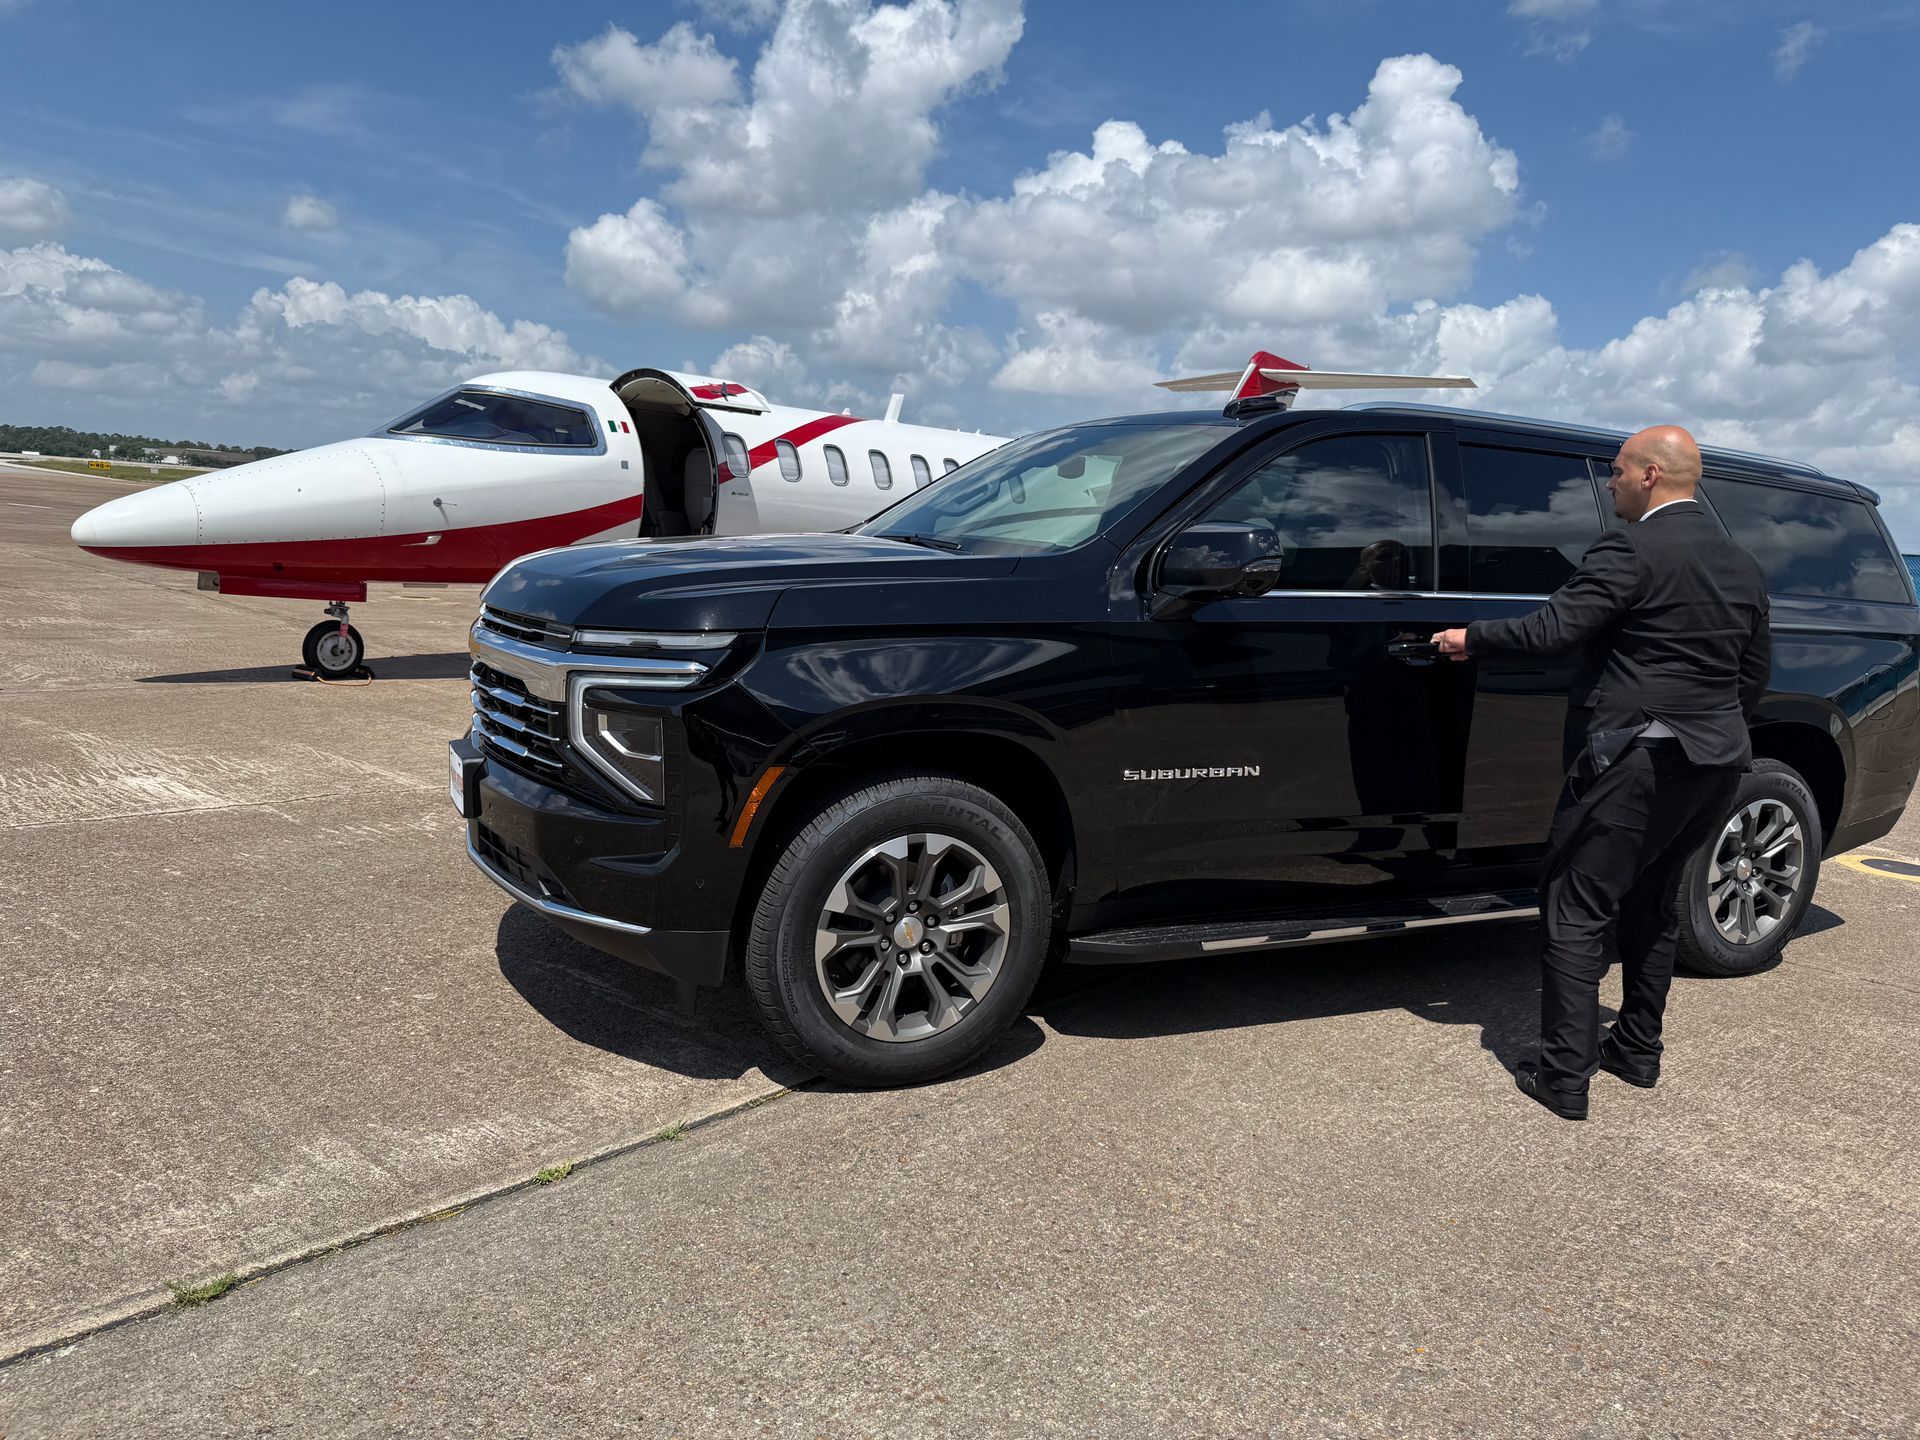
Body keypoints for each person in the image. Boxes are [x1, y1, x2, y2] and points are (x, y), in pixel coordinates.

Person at [1430, 426, 1771, 1120]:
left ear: (1650, 475)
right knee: (1653, 903)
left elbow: (1554, 629)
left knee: (1575, 906)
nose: (1610, 482)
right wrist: (1712, 728)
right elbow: (1754, 673)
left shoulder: (1630, 547)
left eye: (1617, 472)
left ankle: (1563, 1077)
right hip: (1716, 762)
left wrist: (1471, 638)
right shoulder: (1742, 562)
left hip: (1637, 757)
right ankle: (1637, 1050)